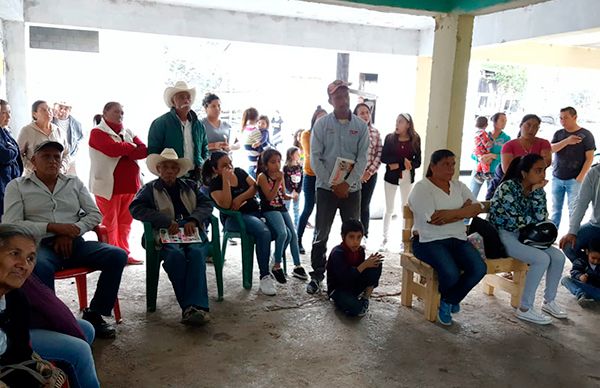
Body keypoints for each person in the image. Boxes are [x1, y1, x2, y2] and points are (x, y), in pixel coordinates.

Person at [2, 140, 127, 338]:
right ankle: (50, 319)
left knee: (117, 256)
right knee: (39, 265)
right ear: (33, 160)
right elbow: (11, 223)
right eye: (46, 156)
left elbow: (95, 214)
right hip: (38, 246)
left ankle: (95, 313)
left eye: (56, 157)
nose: (52, 161)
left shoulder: (74, 183)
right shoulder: (17, 186)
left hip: (75, 243)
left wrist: (73, 231)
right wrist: (52, 227)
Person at [130, 149, 213, 325]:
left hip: (191, 230)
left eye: (173, 167)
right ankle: (194, 307)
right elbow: (136, 208)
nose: (169, 171)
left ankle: (192, 308)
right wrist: (164, 220)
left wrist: (194, 219)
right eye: (165, 167)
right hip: (166, 233)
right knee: (175, 256)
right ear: (158, 169)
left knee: (197, 254)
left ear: (178, 171)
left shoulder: (190, 185)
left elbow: (206, 204)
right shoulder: (149, 189)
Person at [408, 149, 486, 326]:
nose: (450, 169)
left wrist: (451, 214)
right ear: (433, 167)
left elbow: (477, 208)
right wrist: (463, 212)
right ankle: (450, 300)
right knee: (450, 273)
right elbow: (434, 219)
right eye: (445, 164)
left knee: (479, 268)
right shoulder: (422, 188)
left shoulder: (459, 186)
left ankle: (449, 299)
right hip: (427, 241)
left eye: (453, 164)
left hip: (458, 238)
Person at [489, 154, 567, 325]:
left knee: (559, 257)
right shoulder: (507, 187)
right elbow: (515, 220)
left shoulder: (537, 190)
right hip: (504, 235)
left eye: (544, 170)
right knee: (541, 259)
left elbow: (541, 216)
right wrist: (534, 218)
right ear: (524, 173)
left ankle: (549, 301)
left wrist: (537, 191)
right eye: (538, 170)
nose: (543, 175)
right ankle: (524, 308)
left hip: (526, 235)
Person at [307, 80, 369, 295]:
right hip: (326, 189)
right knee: (321, 232)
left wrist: (347, 184)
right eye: (337, 97)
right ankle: (316, 275)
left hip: (351, 190)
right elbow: (315, 158)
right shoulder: (322, 125)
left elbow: (362, 159)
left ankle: (355, 275)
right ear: (330, 100)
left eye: (345, 96)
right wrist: (334, 184)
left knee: (354, 233)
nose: (342, 100)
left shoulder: (360, 127)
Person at [0, 224, 68, 387]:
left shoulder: (16, 299)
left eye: (30, 258)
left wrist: (39, 369)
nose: (24, 265)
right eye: (15, 254)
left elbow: (20, 352)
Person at [202, 151, 276, 295]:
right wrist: (226, 181)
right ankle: (264, 276)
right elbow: (226, 204)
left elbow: (254, 187)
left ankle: (272, 260)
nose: (229, 167)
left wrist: (240, 198)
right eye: (224, 165)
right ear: (215, 169)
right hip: (235, 219)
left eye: (230, 162)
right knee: (264, 232)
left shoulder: (240, 172)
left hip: (254, 212)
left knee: (279, 230)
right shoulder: (215, 185)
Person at [89, 102, 147, 265]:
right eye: (116, 112)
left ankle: (124, 253)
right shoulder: (97, 132)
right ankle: (111, 256)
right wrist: (131, 147)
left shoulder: (127, 131)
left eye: (122, 112)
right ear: (105, 113)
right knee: (109, 223)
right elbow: (112, 149)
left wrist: (126, 149)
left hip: (130, 186)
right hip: (108, 187)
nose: (120, 115)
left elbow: (143, 151)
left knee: (125, 223)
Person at [256, 149, 308, 284]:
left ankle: (297, 265)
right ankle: (276, 265)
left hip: (281, 207)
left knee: (293, 235)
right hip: (269, 208)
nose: (277, 165)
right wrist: (278, 181)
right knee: (283, 233)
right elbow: (269, 197)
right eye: (273, 162)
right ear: (266, 164)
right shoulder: (262, 176)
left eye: (279, 161)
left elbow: (283, 195)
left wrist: (292, 197)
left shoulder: (280, 175)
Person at [148, 81, 209, 179]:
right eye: (181, 97)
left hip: (196, 175)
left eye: (188, 97)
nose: (186, 100)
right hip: (171, 176)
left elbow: (205, 148)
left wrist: (202, 164)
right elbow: (154, 151)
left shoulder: (199, 125)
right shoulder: (160, 123)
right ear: (173, 101)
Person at [380, 113, 421, 251]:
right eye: (396, 121)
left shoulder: (415, 139)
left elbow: (417, 162)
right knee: (389, 208)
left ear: (408, 124)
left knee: (405, 208)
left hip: (407, 177)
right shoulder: (390, 138)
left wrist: (401, 165)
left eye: (401, 122)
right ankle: (384, 239)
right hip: (391, 177)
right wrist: (401, 162)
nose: (397, 124)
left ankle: (404, 240)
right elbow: (384, 157)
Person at [486, 114, 551, 200]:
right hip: (510, 185)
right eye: (528, 125)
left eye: (535, 127)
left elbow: (546, 163)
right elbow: (507, 169)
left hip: (535, 186)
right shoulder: (509, 145)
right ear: (521, 125)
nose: (531, 129)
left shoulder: (544, 143)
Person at [550, 106, 596, 228]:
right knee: (555, 209)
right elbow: (550, 149)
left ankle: (571, 237)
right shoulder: (559, 134)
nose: (562, 121)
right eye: (560, 118)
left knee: (574, 210)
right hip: (557, 176)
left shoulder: (586, 135)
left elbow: (589, 158)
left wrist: (580, 177)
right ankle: (551, 235)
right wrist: (566, 141)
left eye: (565, 118)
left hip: (575, 179)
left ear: (574, 117)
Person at [326, 219, 383, 317]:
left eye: (359, 237)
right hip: (338, 289)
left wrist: (370, 262)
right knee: (356, 309)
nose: (356, 242)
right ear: (343, 237)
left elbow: (359, 272)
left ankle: (365, 298)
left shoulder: (360, 250)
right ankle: (351, 302)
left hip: (353, 284)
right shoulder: (337, 253)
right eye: (351, 237)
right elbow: (345, 277)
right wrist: (365, 264)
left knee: (376, 263)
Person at [296, 107, 327, 254]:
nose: (322, 121)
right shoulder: (306, 135)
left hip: (325, 177)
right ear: (314, 119)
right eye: (319, 118)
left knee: (322, 211)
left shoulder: (330, 134)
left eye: (325, 118)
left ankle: (317, 243)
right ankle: (298, 239)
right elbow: (311, 155)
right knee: (308, 207)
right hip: (310, 175)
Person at [559, 163, 600, 262]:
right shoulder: (594, 172)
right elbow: (581, 202)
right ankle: (587, 271)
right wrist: (572, 231)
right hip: (595, 226)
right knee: (568, 245)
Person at [17, 100, 70, 175]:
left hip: (56, 178)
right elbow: (18, 154)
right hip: (34, 179)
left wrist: (62, 168)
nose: (48, 112)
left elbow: (66, 153)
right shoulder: (26, 131)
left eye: (49, 109)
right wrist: (33, 168)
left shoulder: (59, 131)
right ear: (34, 114)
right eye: (43, 110)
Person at [353, 103, 382, 244]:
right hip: (354, 174)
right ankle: (351, 234)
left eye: (367, 112)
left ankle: (364, 236)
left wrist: (369, 172)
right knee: (353, 204)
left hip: (370, 175)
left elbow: (379, 154)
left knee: (365, 205)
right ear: (355, 116)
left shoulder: (375, 132)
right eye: (361, 113)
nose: (365, 115)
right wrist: (358, 172)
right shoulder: (352, 131)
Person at [469, 112, 510, 199]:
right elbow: (473, 153)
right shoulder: (482, 134)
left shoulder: (506, 138)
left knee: (492, 198)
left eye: (505, 121)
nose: (504, 123)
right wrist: (481, 158)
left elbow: (506, 157)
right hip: (479, 171)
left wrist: (492, 156)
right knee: (471, 195)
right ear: (494, 122)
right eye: (502, 120)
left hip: (494, 173)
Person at [561, 239, 600, 307]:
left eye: (599, 259)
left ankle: (587, 297)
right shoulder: (580, 260)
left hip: (597, 290)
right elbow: (574, 271)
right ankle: (582, 295)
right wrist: (580, 276)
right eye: (593, 258)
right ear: (587, 252)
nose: (596, 261)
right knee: (565, 280)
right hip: (584, 286)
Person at [0, 99, 23, 216]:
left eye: (9, 112)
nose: (8, 116)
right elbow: (5, 155)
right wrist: (14, 149)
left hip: (10, 182)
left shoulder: (5, 131)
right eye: (4, 112)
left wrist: (12, 149)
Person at [52, 101, 83, 174]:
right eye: (60, 107)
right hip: (53, 159)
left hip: (70, 158)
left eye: (66, 108)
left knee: (71, 182)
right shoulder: (49, 121)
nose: (63, 110)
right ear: (54, 108)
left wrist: (71, 157)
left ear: (70, 110)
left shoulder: (76, 124)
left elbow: (79, 139)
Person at [240, 107, 267, 178]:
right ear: (257, 118)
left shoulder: (244, 130)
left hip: (249, 165)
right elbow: (266, 148)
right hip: (256, 166)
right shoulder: (256, 132)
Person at [283, 146, 302, 226]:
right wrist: (292, 191)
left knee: (296, 208)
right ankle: (286, 224)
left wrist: (297, 191)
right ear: (291, 155)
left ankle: (296, 225)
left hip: (297, 191)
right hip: (288, 190)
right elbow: (285, 181)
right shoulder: (286, 168)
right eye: (297, 154)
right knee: (286, 207)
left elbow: (301, 180)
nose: (299, 156)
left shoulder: (299, 167)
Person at [472, 116, 494, 182]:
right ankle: (486, 173)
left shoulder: (476, 132)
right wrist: (491, 142)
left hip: (477, 150)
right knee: (485, 160)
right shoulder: (483, 133)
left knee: (480, 162)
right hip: (481, 150)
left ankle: (478, 173)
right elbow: (486, 143)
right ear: (486, 124)